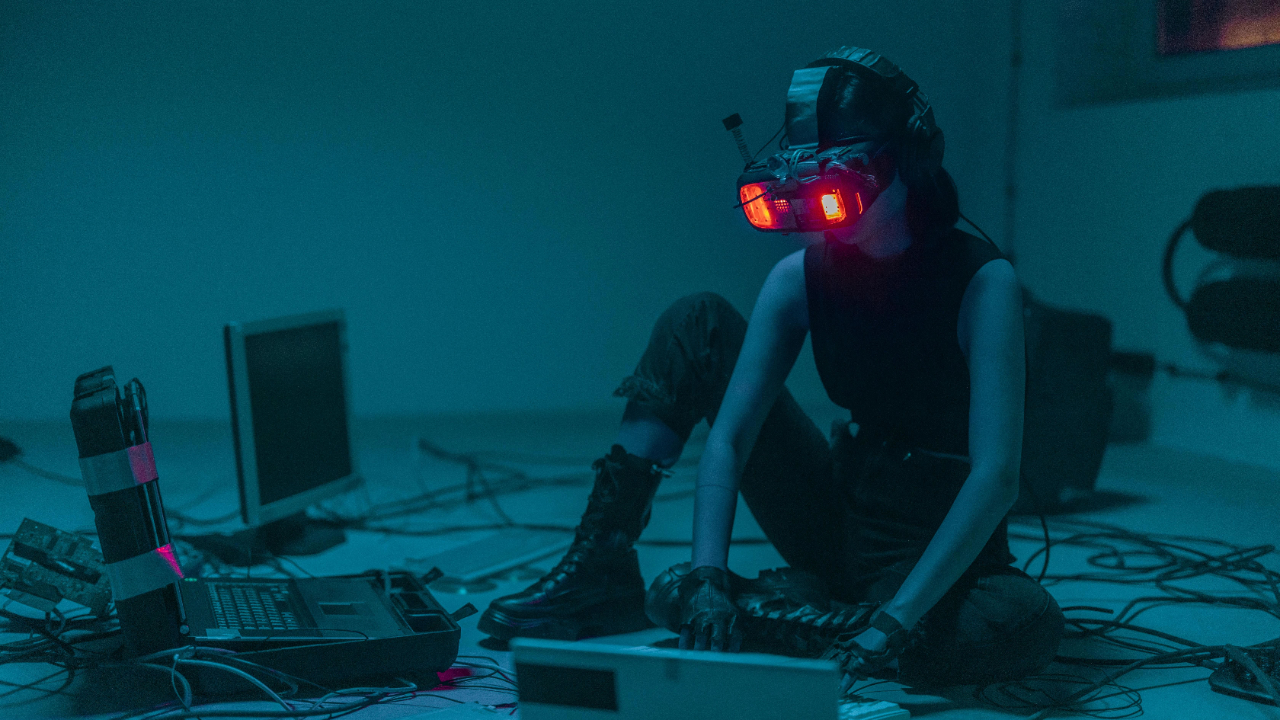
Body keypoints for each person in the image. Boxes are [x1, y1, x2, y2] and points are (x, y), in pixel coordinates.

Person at [478, 46, 1063, 687]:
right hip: (840, 514)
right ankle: (605, 570)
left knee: (1020, 622)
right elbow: (730, 438)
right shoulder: (800, 277)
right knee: (697, 320)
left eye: (835, 186)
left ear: (909, 158)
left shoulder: (983, 282)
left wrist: (895, 619)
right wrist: (704, 578)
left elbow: (997, 476)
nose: (820, 211)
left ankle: (831, 618)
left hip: (936, 546)